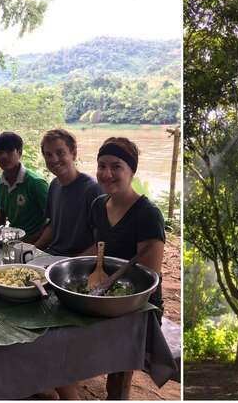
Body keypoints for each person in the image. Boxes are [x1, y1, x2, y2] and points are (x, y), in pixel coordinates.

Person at [80, 137, 166, 399]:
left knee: (116, 379)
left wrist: (108, 294)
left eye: (116, 166)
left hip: (138, 306)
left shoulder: (147, 214)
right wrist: (62, 266)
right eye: (102, 165)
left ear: (131, 171)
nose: (107, 174)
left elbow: (149, 277)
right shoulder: (98, 205)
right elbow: (98, 249)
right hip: (102, 292)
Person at [32, 129, 102, 257]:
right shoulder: (54, 185)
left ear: (73, 154)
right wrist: (31, 251)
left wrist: (71, 264)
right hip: (52, 256)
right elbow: (53, 226)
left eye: (60, 153)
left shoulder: (92, 189)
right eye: (48, 155)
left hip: (77, 262)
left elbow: (101, 243)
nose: (54, 159)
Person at [0, 131, 50, 244]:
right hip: (12, 240)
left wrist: (31, 244)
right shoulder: (0, 183)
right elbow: (0, 219)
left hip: (37, 244)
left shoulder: (36, 183)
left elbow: (52, 223)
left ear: (19, 152)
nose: (3, 156)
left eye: (9, 151)